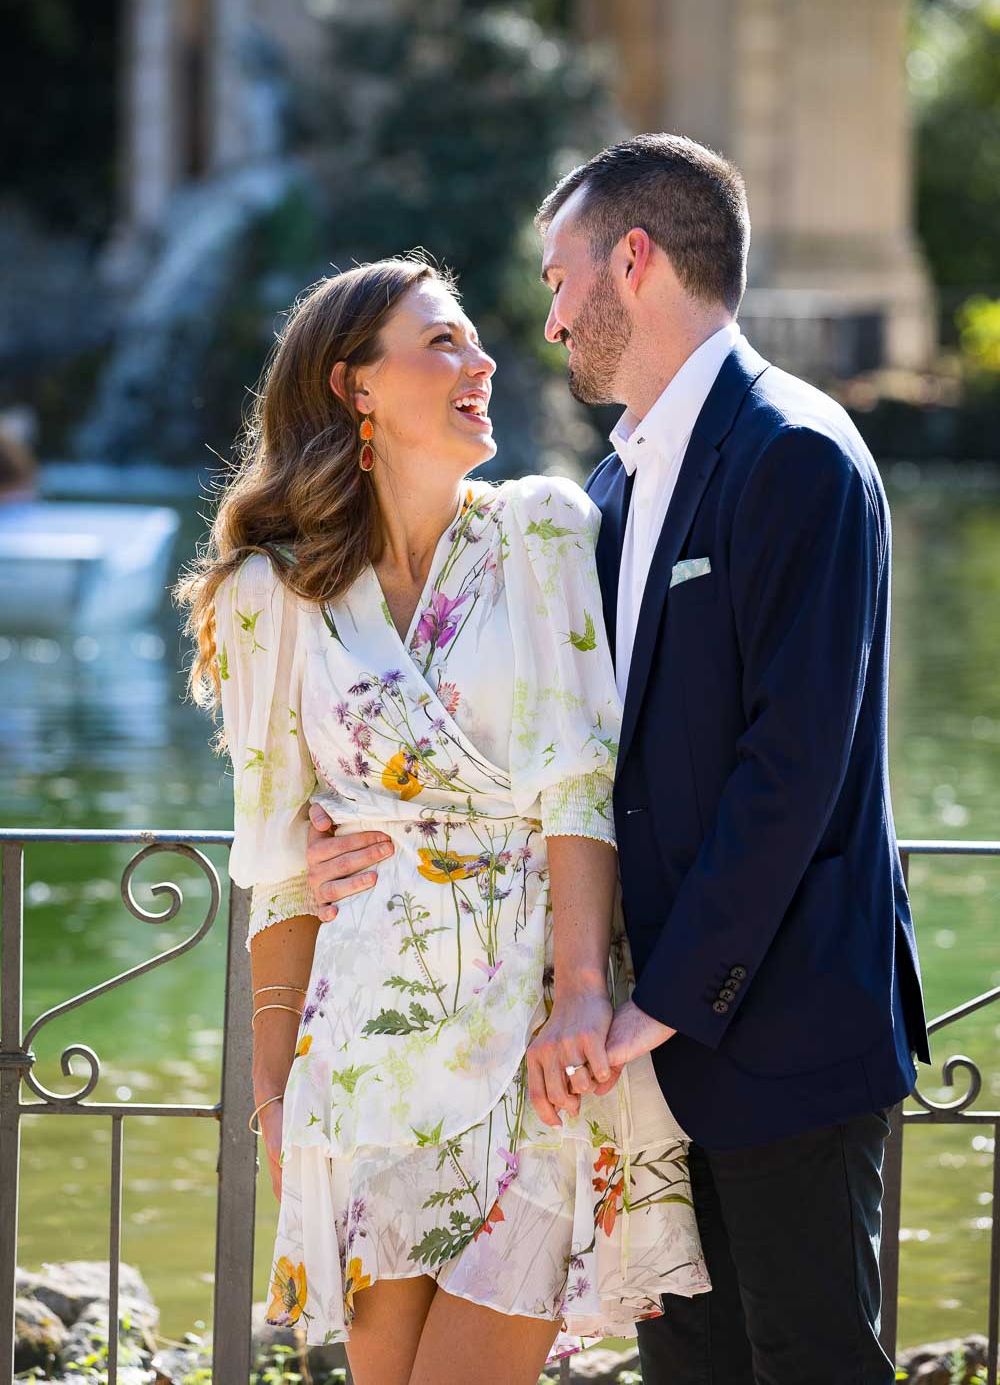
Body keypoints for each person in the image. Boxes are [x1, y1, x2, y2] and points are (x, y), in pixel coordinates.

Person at [176, 255, 708, 1385]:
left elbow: (580, 778)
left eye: (472, 340)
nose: (482, 364)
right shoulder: (272, 596)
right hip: (366, 1046)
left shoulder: (541, 530)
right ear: (353, 387)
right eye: (442, 344)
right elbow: (274, 864)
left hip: (535, 1039)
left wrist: (579, 994)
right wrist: (276, 1097)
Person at [534, 133, 932, 1383]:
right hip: (648, 1059)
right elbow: (584, 750)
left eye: (561, 280)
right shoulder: (612, 482)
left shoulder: (798, 454)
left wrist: (663, 998)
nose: (551, 321)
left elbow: (793, 764)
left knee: (810, 1359)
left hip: (785, 1029)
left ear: (634, 261)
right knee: (690, 1371)